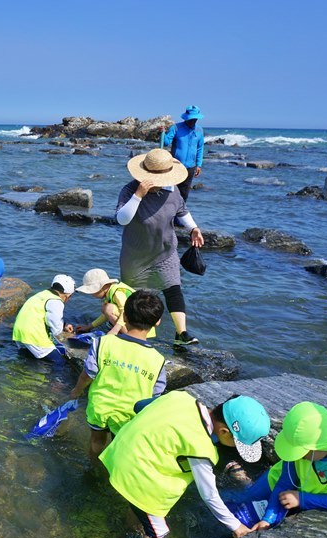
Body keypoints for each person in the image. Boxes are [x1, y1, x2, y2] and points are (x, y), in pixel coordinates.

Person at [99, 392, 270, 538]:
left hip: (119, 451)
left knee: (142, 514)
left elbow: (139, 406)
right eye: (238, 445)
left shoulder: (180, 398)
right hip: (136, 476)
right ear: (224, 432)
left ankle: (135, 519)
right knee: (159, 536)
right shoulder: (201, 449)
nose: (236, 450)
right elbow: (209, 495)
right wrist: (237, 526)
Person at [240, 402, 327, 530]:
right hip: (274, 482)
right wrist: (268, 519)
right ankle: (244, 482)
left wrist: (303, 499)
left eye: (300, 452)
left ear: (321, 447)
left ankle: (243, 480)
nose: (295, 456)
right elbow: (284, 483)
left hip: (301, 497)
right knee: (242, 500)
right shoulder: (297, 453)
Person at [116, 148, 204, 346]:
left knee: (173, 288)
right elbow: (122, 219)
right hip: (135, 256)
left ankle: (181, 334)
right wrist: (139, 195)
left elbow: (182, 212)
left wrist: (194, 228)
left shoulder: (173, 192)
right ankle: (134, 336)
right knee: (136, 298)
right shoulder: (130, 190)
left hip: (165, 252)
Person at [68, 289, 165, 460]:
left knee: (96, 440)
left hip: (100, 408)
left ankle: (93, 466)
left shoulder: (103, 343)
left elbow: (87, 374)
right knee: (119, 445)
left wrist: (76, 391)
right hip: (129, 415)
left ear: (124, 317)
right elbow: (155, 395)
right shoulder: (158, 360)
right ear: (157, 322)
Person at [12, 274, 75, 364]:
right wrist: (66, 337)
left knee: (29, 358)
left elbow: (43, 313)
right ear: (67, 295)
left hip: (19, 332)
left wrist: (64, 325)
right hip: (32, 336)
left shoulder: (42, 294)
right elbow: (55, 326)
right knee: (59, 362)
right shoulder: (56, 301)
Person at [161, 105, 204, 203]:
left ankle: (178, 216)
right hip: (175, 166)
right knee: (170, 193)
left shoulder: (199, 130)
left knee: (183, 196)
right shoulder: (176, 128)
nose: (193, 121)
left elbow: (200, 148)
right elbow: (166, 142)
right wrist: (163, 134)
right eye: (191, 119)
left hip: (190, 168)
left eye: (195, 119)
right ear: (186, 118)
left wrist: (199, 165)